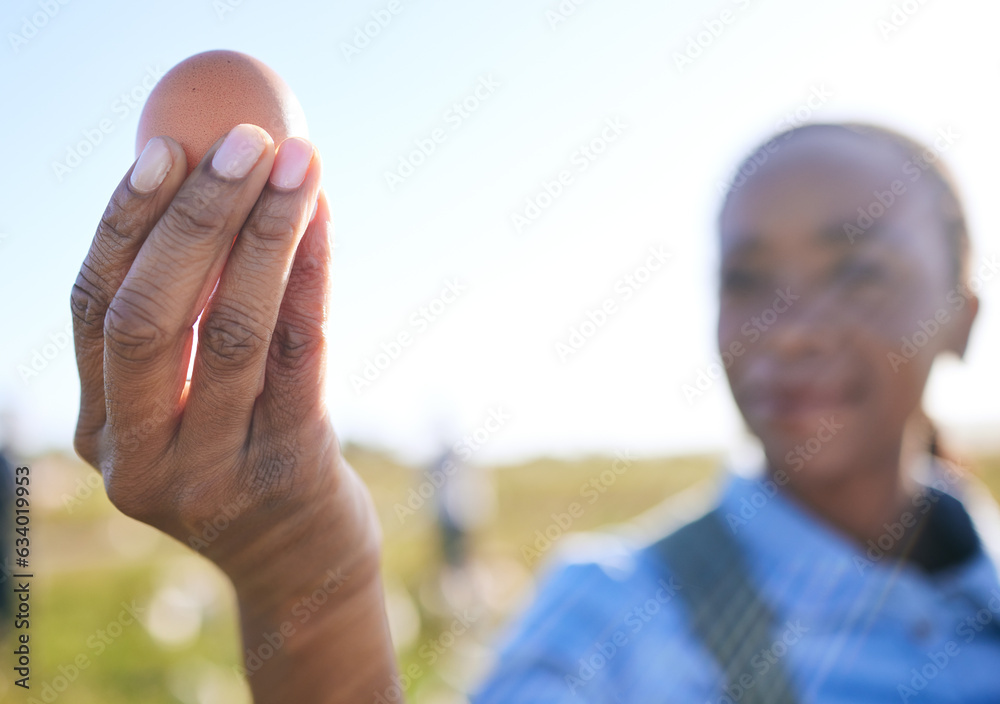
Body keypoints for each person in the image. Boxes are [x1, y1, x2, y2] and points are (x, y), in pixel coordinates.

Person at [70, 121, 1000, 703]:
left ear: (961, 318)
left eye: (856, 271)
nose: (791, 332)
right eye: (748, 279)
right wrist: (299, 578)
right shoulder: (614, 620)